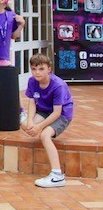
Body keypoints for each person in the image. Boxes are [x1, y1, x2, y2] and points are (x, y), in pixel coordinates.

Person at [22, 54, 74, 188]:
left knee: (44, 135)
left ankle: (57, 175)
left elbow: (57, 112)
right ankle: (23, 116)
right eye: (34, 69)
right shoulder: (32, 81)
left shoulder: (58, 85)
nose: (37, 72)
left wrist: (39, 127)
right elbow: (32, 102)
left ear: (49, 69)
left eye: (41, 69)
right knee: (26, 125)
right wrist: (30, 121)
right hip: (44, 110)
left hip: (62, 115)